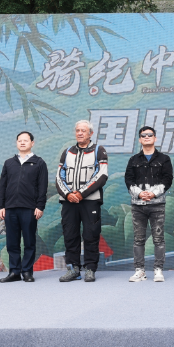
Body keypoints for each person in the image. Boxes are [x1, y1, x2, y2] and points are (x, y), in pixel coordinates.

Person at [56, 120, 108, 283]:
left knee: (91, 234)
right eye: (77, 130)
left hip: (90, 201)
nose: (79, 133)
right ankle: (73, 269)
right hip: (69, 201)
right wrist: (68, 194)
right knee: (70, 234)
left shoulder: (99, 150)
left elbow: (101, 175)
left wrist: (81, 193)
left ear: (90, 133)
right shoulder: (67, 152)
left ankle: (90, 269)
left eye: (83, 131)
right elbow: (59, 177)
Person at [0, 131, 48, 283]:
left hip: (29, 208)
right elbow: (3, 185)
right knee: (12, 242)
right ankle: (14, 272)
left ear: (32, 143)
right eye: (20, 140)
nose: (22, 143)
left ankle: (27, 272)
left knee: (29, 241)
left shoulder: (39, 163)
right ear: (16, 143)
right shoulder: (9, 163)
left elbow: (42, 186)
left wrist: (40, 206)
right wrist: (1, 206)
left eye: (26, 140)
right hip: (10, 208)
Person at [124, 126, 173, 283]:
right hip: (138, 205)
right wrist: (139, 193)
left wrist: (153, 193)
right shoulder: (134, 160)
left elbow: (168, 179)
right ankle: (140, 271)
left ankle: (158, 270)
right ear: (140, 139)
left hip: (157, 204)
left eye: (150, 135)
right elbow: (128, 179)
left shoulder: (164, 159)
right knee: (138, 239)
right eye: (143, 135)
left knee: (158, 239)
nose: (146, 137)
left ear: (155, 138)